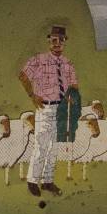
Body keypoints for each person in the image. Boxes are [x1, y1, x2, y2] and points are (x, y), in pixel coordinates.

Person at [14, 22, 78, 199]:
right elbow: (23, 76)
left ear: (65, 42)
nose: (57, 44)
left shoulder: (67, 64)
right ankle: (33, 180)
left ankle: (48, 180)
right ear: (49, 41)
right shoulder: (39, 60)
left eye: (61, 40)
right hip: (45, 108)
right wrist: (32, 95)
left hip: (61, 109)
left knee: (54, 147)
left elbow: (73, 86)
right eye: (54, 40)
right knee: (41, 145)